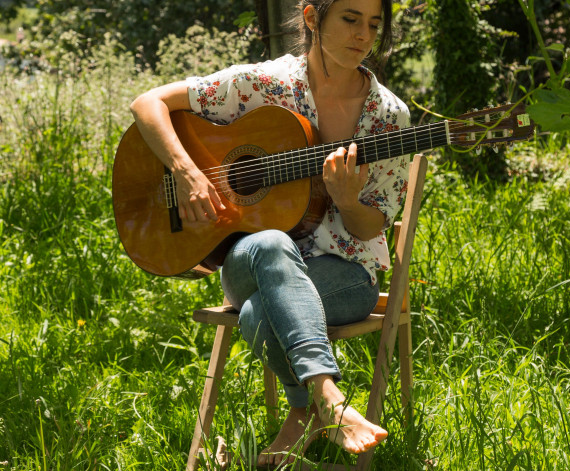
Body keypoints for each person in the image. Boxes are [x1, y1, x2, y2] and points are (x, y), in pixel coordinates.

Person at [128, 0, 409, 466]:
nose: (364, 35)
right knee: (270, 243)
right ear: (312, 16)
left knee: (260, 311)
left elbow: (370, 227)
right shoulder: (263, 85)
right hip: (249, 264)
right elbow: (148, 103)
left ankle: (313, 406)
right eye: (350, 18)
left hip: (345, 275)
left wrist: (346, 200)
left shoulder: (388, 117)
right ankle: (330, 402)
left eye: (374, 24)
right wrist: (187, 172)